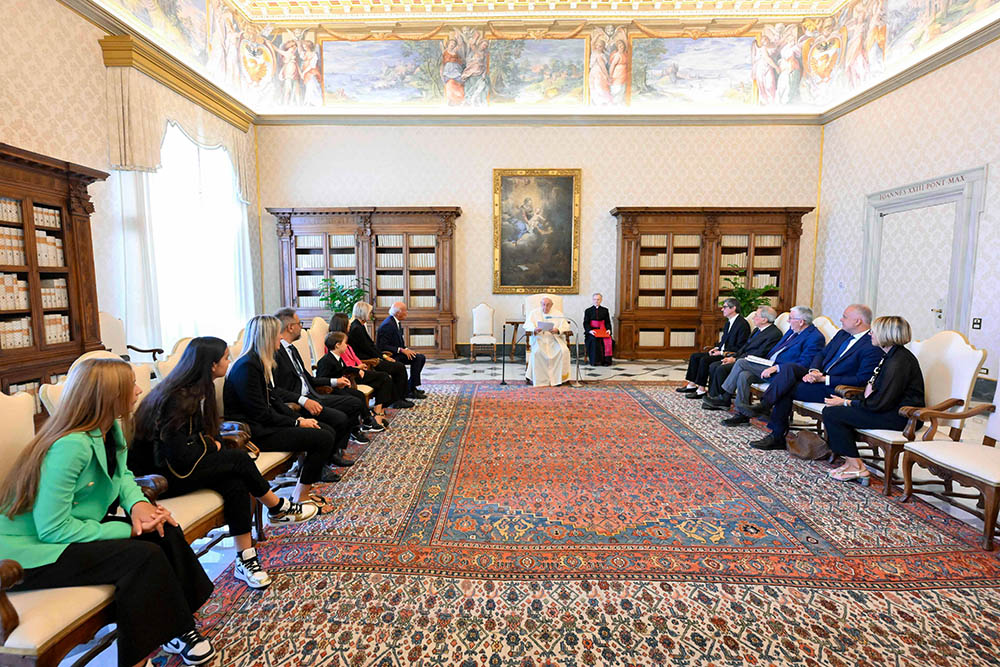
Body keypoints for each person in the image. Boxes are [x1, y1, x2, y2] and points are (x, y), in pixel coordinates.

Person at [0, 358, 215, 667]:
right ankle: (140, 656)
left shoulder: (109, 426)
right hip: (30, 554)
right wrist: (128, 529)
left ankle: (177, 626)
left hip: (69, 531)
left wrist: (139, 506)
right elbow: (53, 529)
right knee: (144, 556)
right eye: (131, 387)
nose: (140, 390)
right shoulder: (69, 446)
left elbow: (123, 473)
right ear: (110, 396)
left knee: (163, 530)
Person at [131, 337, 318, 591]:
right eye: (226, 358)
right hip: (163, 479)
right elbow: (179, 456)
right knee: (239, 459)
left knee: (236, 482)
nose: (229, 362)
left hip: (183, 466)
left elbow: (197, 439)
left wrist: (210, 443)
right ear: (211, 365)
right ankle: (276, 507)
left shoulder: (193, 391)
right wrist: (212, 446)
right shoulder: (177, 399)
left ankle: (246, 558)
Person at [224, 315, 341, 503]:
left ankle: (302, 491)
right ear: (267, 337)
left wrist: (299, 420)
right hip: (255, 433)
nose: (280, 337)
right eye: (277, 333)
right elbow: (260, 413)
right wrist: (296, 422)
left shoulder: (258, 361)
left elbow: (275, 400)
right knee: (323, 437)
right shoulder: (246, 367)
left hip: (267, 423)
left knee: (325, 429)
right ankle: (301, 496)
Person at [745, 304, 884, 451]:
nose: (841, 319)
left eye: (844, 316)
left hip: (836, 387)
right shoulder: (842, 334)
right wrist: (814, 371)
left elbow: (862, 380)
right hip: (818, 376)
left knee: (786, 387)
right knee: (788, 369)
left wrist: (825, 379)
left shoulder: (872, 344)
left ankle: (774, 428)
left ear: (858, 321)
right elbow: (822, 354)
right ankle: (767, 411)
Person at [821, 316, 924, 483]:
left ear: (886, 335)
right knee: (834, 412)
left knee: (834, 414)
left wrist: (848, 403)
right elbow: (876, 392)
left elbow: (881, 401)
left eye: (873, 331)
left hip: (902, 416)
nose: (870, 334)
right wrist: (852, 402)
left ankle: (857, 467)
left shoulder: (899, 361)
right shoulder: (891, 355)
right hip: (889, 409)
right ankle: (850, 462)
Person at [272, 308, 374, 454]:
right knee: (341, 417)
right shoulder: (277, 353)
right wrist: (303, 400)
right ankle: (331, 454)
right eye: (299, 323)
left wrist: (334, 381)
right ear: (290, 327)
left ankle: (336, 449)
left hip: (313, 394)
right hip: (298, 403)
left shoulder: (292, 349)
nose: (301, 326)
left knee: (355, 403)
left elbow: (310, 379)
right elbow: (278, 389)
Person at [706, 305, 825, 426]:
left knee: (742, 363)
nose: (788, 321)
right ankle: (742, 414)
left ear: (801, 322)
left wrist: (776, 367)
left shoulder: (814, 337)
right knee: (744, 375)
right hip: (769, 364)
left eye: (790, 318)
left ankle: (724, 397)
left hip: (783, 373)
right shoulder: (793, 330)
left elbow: (804, 364)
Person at [702, 306, 783, 408]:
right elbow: (745, 347)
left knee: (721, 368)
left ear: (764, 319)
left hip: (754, 362)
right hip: (743, 358)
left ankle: (724, 399)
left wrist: (735, 359)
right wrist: (732, 356)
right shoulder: (757, 330)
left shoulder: (774, 334)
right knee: (715, 365)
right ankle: (716, 397)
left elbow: (760, 353)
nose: (753, 318)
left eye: (756, 316)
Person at [325, 313, 393, 426]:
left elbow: (355, 357)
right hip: (351, 376)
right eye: (348, 324)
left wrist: (361, 365)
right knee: (384, 378)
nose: (350, 326)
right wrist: (358, 368)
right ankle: (377, 413)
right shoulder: (335, 345)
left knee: (384, 378)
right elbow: (343, 367)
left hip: (358, 371)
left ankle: (377, 410)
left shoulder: (345, 342)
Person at [677, 298, 750, 398]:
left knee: (704, 360)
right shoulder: (729, 322)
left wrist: (721, 352)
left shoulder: (742, 324)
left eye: (724, 307)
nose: (722, 309)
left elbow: (740, 346)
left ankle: (701, 389)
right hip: (721, 351)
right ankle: (692, 384)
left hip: (729, 354)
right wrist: (716, 348)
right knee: (694, 356)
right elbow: (725, 341)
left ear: (733, 308)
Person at [348, 301, 413, 409]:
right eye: (369, 312)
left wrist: (384, 356)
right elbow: (368, 349)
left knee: (397, 366)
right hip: (369, 360)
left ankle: (397, 398)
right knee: (399, 367)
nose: (370, 315)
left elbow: (371, 346)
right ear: (363, 313)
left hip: (373, 356)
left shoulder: (359, 325)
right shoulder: (357, 329)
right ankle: (397, 400)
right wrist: (383, 357)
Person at [376, 302, 427, 400]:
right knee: (417, 359)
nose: (407, 312)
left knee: (420, 357)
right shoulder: (388, 325)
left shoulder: (394, 322)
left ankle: (411, 386)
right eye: (405, 310)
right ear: (398, 313)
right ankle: (411, 389)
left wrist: (407, 349)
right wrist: (401, 350)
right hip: (390, 356)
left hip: (397, 352)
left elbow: (398, 342)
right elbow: (382, 346)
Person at [525, 297, 572, 387]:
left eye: (548, 305)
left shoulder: (558, 314)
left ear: (552, 305)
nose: (545, 307)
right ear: (540, 304)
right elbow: (527, 325)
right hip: (539, 339)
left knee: (563, 351)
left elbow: (566, 326)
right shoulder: (534, 313)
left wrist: (557, 330)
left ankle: (559, 379)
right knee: (537, 352)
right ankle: (538, 379)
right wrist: (535, 329)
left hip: (554, 339)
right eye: (543, 304)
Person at [583, 292, 614, 367]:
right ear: (592, 300)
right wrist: (590, 331)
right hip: (592, 331)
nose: (596, 301)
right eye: (595, 299)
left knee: (609, 340)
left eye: (598, 299)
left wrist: (608, 329)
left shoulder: (605, 310)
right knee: (594, 340)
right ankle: (595, 361)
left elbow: (607, 322)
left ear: (601, 300)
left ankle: (606, 361)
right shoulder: (588, 310)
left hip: (602, 330)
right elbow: (586, 323)